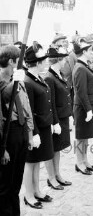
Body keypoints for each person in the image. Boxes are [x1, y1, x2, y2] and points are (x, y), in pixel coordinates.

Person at [0, 45, 34, 215]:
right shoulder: (2, 79)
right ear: (12, 61)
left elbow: (25, 106)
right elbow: (6, 95)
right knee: (5, 185)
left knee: (16, 183)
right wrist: (2, 148)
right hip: (7, 134)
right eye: (18, 62)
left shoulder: (15, 77)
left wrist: (28, 133)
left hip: (19, 131)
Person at [23, 43, 54, 208]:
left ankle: (37, 190)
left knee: (37, 161)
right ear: (38, 62)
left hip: (43, 126)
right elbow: (29, 111)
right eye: (44, 60)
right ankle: (28, 195)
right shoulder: (28, 81)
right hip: (34, 129)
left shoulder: (38, 77)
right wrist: (33, 133)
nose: (47, 62)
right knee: (30, 163)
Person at [43, 47, 72, 189]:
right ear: (58, 60)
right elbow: (51, 103)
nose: (66, 61)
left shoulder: (58, 74)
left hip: (62, 117)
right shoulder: (49, 77)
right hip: (56, 119)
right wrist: (55, 122)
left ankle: (57, 174)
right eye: (64, 58)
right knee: (51, 148)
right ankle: (51, 178)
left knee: (58, 148)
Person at [72, 38, 93, 175]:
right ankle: (79, 162)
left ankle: (85, 160)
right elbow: (80, 91)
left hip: (88, 105)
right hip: (83, 107)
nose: (92, 53)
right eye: (90, 51)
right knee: (81, 136)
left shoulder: (84, 66)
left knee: (86, 136)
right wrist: (89, 109)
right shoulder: (79, 68)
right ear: (84, 52)